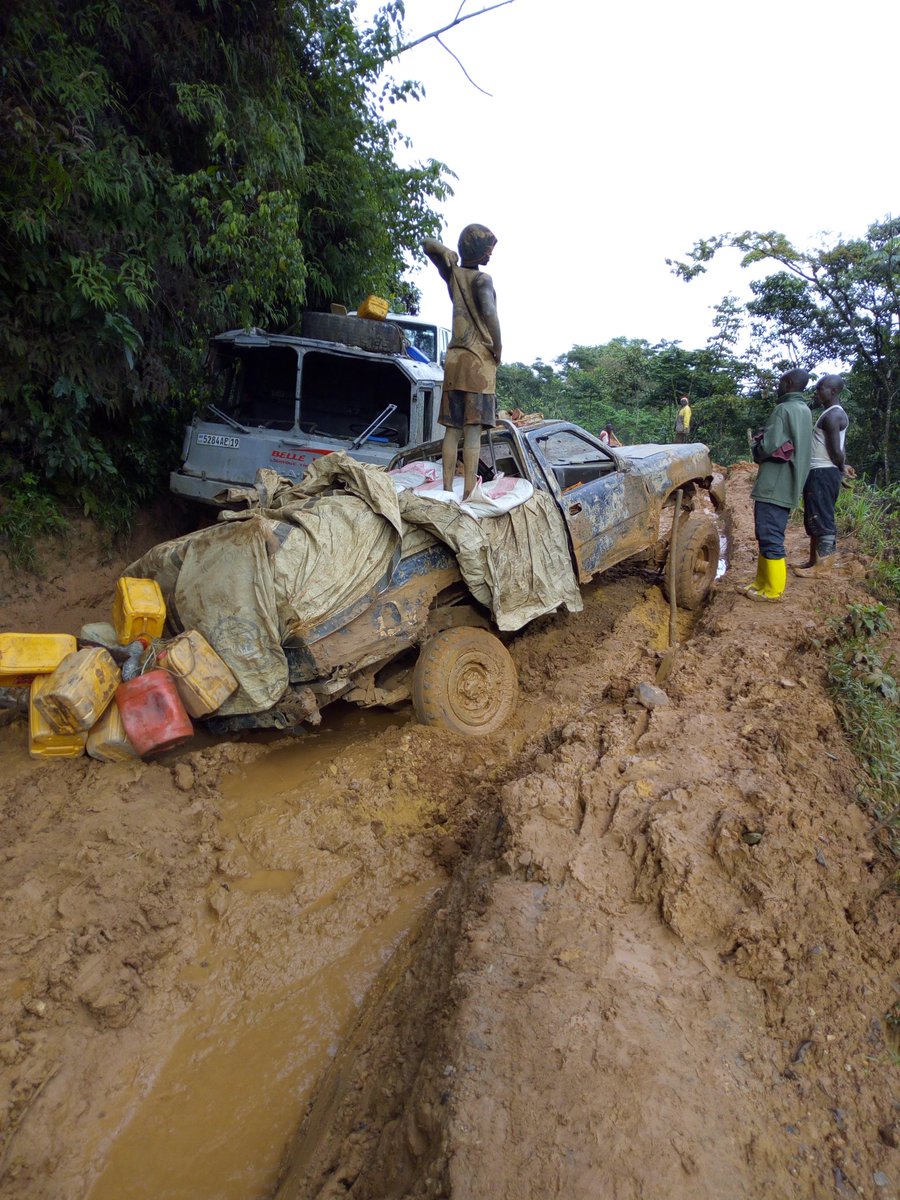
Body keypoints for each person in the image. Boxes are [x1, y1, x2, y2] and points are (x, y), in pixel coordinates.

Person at [423, 224, 501, 498]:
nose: (490, 254)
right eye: (488, 249)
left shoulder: (453, 275)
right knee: (472, 433)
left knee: (451, 430)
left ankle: (446, 488)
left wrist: (443, 250)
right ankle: (469, 490)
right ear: (478, 251)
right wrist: (498, 347)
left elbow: (427, 243)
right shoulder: (483, 280)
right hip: (478, 363)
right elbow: (490, 314)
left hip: (454, 360)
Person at [744, 368, 813, 602]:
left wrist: (756, 449)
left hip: (775, 482)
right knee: (766, 532)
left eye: (781, 382)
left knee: (770, 534)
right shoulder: (803, 410)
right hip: (790, 480)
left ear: (789, 383)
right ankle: (761, 583)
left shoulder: (783, 409)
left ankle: (773, 591)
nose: (777, 386)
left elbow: (769, 446)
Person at [792, 374, 852, 576]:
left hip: (823, 472)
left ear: (833, 391)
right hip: (822, 470)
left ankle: (823, 567)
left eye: (820, 388)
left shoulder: (833, 415)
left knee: (822, 516)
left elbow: (836, 451)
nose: (817, 392)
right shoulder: (830, 413)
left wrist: (841, 467)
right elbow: (835, 450)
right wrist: (842, 466)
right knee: (814, 515)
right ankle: (813, 561)